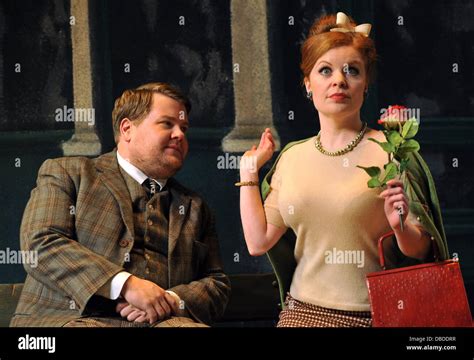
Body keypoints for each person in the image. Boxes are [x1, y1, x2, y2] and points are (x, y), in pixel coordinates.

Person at [238, 12, 448, 327]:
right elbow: (258, 242)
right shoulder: (293, 158)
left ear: (365, 84)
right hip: (302, 314)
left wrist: (401, 225)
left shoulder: (392, 152)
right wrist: (249, 172)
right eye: (326, 70)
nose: (339, 80)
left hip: (378, 317)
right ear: (308, 83)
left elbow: (422, 253)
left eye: (352, 70)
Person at [11, 82, 230, 327]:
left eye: (184, 128)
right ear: (127, 129)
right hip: (72, 319)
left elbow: (216, 282)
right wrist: (126, 284)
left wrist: (168, 300)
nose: (180, 134)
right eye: (167, 123)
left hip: (163, 321)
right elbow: (40, 244)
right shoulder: (69, 173)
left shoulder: (196, 207)